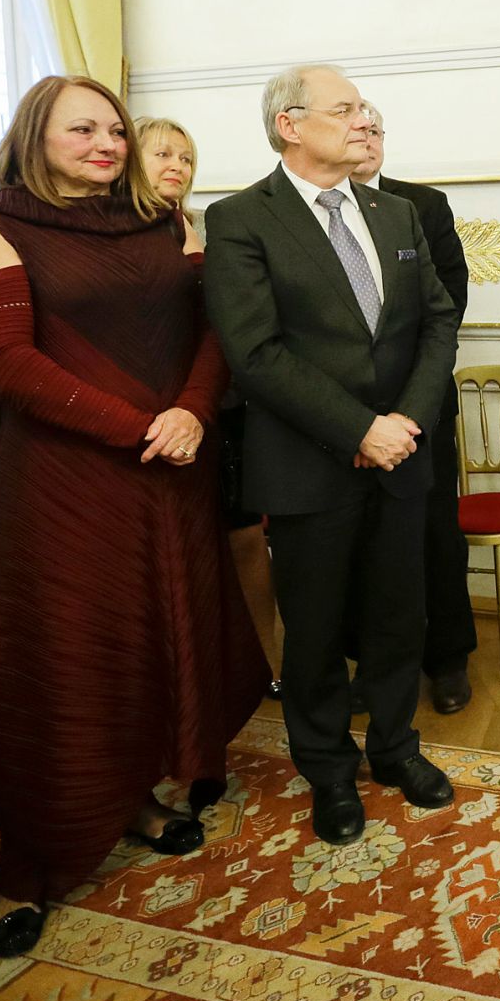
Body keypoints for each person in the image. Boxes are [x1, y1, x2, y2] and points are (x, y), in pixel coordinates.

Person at [0, 76, 268, 957]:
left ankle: (137, 795)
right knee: (67, 658)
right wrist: (141, 426)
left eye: (115, 127)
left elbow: (213, 333)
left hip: (172, 468)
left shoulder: (162, 219)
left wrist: (190, 411)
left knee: (154, 639)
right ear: (36, 134)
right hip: (65, 483)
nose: (107, 141)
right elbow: (4, 363)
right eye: (84, 128)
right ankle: (26, 864)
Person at [202, 64, 459, 848]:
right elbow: (256, 353)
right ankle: (329, 774)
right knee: (314, 630)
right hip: (311, 465)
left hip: (402, 456)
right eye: (344, 109)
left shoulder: (395, 213)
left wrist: (404, 424)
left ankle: (394, 749)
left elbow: (436, 322)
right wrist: (358, 430)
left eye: (363, 110)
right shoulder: (242, 218)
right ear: (291, 124)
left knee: (394, 617)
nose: (362, 121)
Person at [135, 116, 283, 696]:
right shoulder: (116, 237)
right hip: (156, 407)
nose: (177, 166)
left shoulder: (206, 224)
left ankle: (267, 666)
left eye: (187, 158)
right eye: (162, 155)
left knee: (245, 537)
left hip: (226, 405)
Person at [350, 102, 476, 714]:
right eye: (358, 129)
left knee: (432, 531)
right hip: (343, 415)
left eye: (377, 130)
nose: (368, 139)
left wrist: (408, 408)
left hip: (419, 404)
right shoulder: (305, 212)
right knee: (360, 539)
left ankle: (447, 659)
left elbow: (448, 303)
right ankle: (372, 664)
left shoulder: (422, 206)